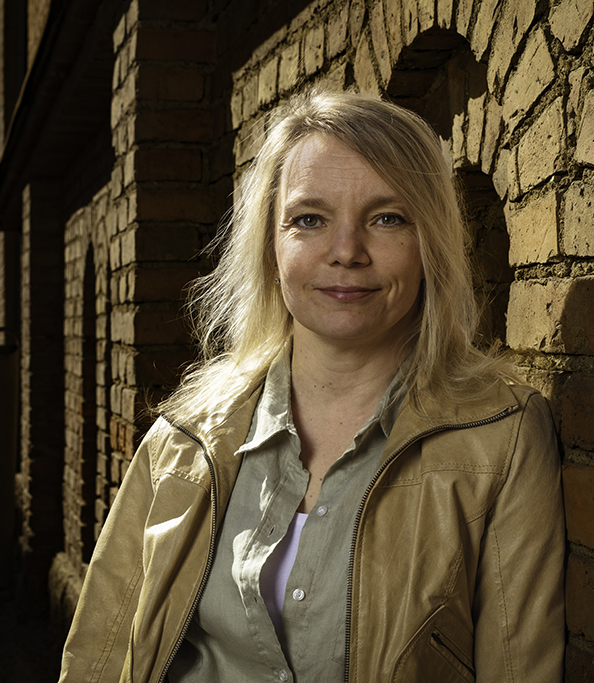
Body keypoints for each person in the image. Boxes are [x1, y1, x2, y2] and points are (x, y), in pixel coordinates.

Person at [58, 90, 565, 682]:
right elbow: (100, 654)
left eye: (387, 218)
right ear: (273, 249)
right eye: (309, 220)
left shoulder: (500, 438)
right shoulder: (185, 437)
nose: (346, 251)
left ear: (429, 244)